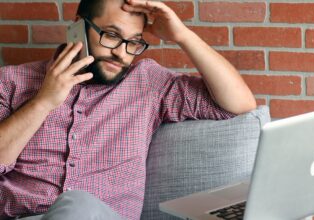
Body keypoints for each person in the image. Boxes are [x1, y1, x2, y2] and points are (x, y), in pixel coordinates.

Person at [0, 0, 256, 219]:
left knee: (78, 204)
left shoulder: (148, 83)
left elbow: (239, 103)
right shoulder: (12, 82)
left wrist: (182, 36)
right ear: (79, 25)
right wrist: (43, 102)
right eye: (111, 35)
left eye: (133, 42)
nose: (121, 53)